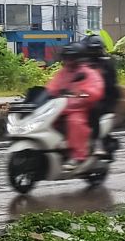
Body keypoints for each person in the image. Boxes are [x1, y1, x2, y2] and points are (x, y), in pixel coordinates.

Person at [45, 42, 105, 171]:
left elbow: (95, 89)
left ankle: (77, 156)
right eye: (66, 57)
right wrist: (46, 95)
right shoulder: (62, 73)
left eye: (71, 58)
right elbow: (52, 87)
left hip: (78, 108)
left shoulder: (88, 73)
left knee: (75, 122)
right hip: (60, 108)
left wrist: (83, 93)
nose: (68, 61)